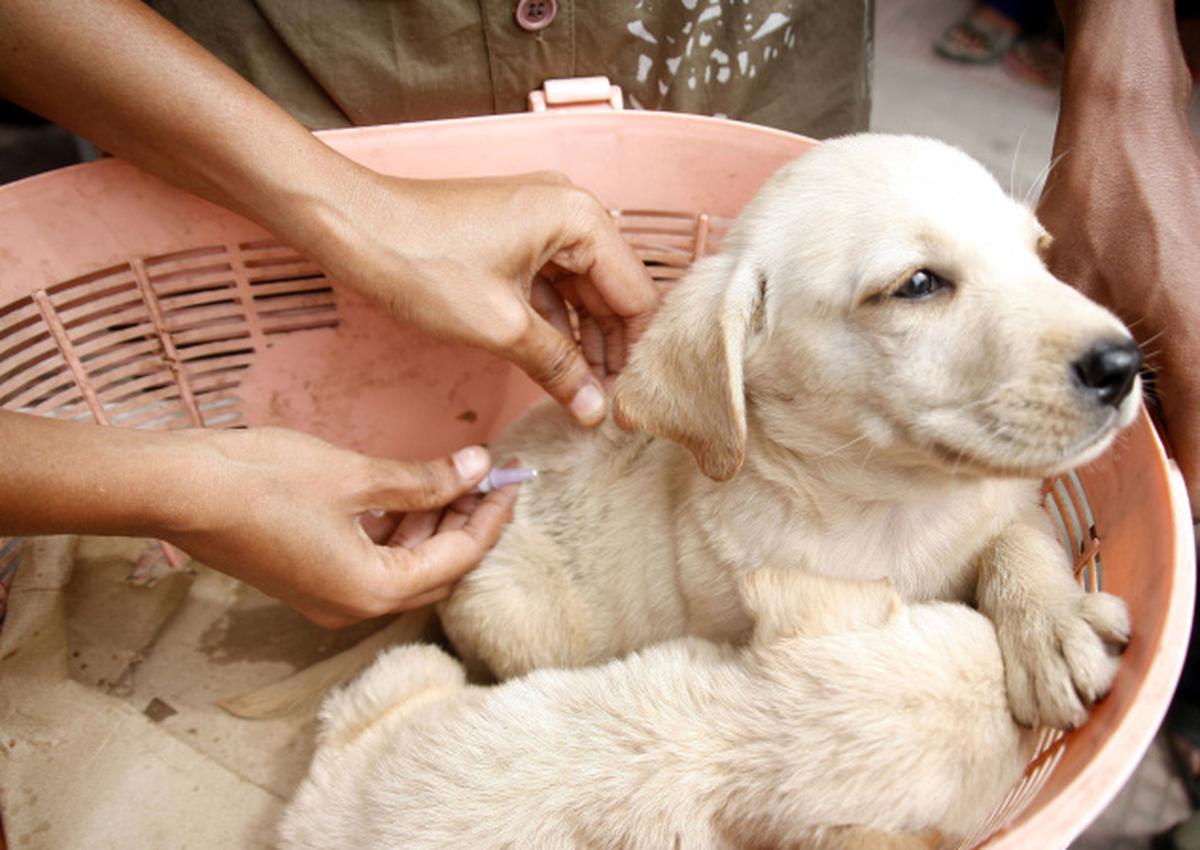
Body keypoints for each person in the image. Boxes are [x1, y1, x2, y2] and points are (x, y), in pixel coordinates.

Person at [0, 0, 1195, 634]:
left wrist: (1132, 72)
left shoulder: (833, 248)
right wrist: (339, 203)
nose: (1094, 333)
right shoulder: (728, 379)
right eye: (922, 287)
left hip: (737, 62)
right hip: (268, 131)